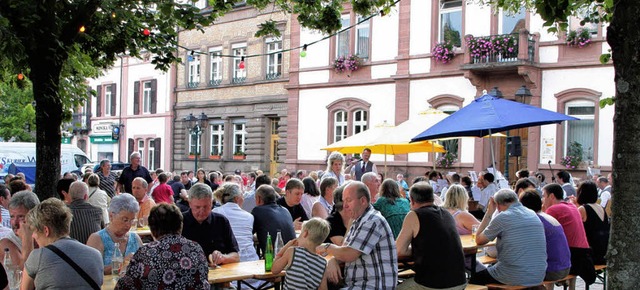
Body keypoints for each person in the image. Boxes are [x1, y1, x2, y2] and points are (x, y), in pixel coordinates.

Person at [317, 181, 398, 289]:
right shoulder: (358, 220)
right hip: (359, 284)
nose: (345, 206)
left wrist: (327, 247)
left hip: (372, 286)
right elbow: (344, 250)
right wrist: (333, 260)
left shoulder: (372, 220)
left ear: (363, 201)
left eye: (349, 200)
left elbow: (349, 254)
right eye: (343, 201)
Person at [115, 203, 210, 289]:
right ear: (180, 226)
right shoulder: (196, 248)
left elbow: (123, 287)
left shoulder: (144, 253)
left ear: (152, 230)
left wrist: (124, 270)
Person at [395, 182, 467, 290]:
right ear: (432, 197)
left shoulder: (414, 215)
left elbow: (399, 250)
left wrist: (417, 249)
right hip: (460, 281)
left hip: (433, 284)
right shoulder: (447, 214)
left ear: (412, 200)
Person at [22, 198, 103, 289]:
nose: (33, 236)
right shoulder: (96, 255)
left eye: (34, 231)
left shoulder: (39, 256)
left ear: (46, 230)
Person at [471, 189, 547, 287]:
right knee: (493, 268)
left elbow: (479, 240)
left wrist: (489, 212)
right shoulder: (532, 214)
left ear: (498, 205)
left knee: (474, 279)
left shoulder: (503, 217)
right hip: (538, 274)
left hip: (513, 275)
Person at [543, 183, 596, 285]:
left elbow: (543, 228)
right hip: (585, 256)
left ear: (552, 196)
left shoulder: (553, 209)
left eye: (544, 196)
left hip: (573, 257)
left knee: (547, 257)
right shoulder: (571, 206)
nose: (543, 199)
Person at [520, 190, 572, 283]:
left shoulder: (534, 221)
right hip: (565, 266)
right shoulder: (545, 217)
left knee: (511, 274)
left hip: (553, 270)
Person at [182, 183, 240, 266]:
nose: (202, 212)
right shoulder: (179, 222)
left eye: (206, 207)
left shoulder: (221, 221)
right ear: (189, 203)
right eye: (197, 207)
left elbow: (236, 256)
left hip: (218, 275)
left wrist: (223, 257)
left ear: (212, 203)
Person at [86, 194, 143, 274]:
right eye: (125, 220)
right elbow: (92, 271)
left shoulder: (135, 238)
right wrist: (123, 263)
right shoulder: (97, 239)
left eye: (132, 220)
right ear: (111, 216)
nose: (129, 225)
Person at [274, 218, 330, 290]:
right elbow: (323, 288)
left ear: (305, 233)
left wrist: (286, 247)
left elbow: (275, 270)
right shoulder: (323, 263)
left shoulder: (292, 251)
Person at [212, 183, 259, 263]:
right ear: (237, 198)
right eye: (242, 195)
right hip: (251, 259)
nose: (243, 198)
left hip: (227, 259)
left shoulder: (215, 213)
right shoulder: (249, 216)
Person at [251, 185, 296, 255]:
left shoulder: (257, 211)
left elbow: (248, 234)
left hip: (274, 259)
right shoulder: (285, 210)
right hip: (293, 256)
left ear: (259, 199)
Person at [0, 191, 40, 270]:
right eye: (12, 217)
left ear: (35, 216)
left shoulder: (45, 236)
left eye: (21, 217)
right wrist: (27, 239)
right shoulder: (7, 243)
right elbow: (23, 273)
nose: (15, 222)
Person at [573, 181, 610, 265]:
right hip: (603, 251)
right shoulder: (600, 207)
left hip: (590, 253)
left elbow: (575, 228)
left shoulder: (583, 209)